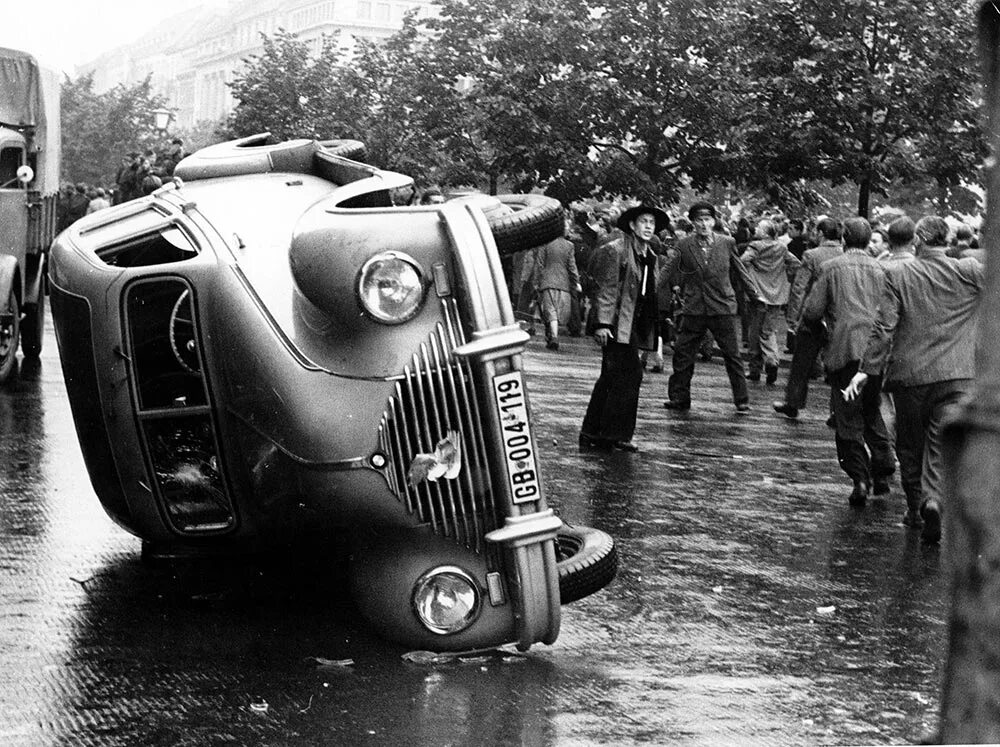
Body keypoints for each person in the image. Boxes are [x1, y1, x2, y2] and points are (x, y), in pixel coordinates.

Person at [843, 216, 984, 543]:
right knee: (939, 444)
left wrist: (866, 370)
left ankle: (914, 509)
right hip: (958, 375)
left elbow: (884, 326)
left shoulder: (897, 272)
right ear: (946, 239)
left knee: (910, 444)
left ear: (919, 239)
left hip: (911, 376)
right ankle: (934, 499)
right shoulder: (970, 271)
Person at [802, 217, 895, 506]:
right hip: (875, 353)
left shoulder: (831, 269)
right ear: (869, 241)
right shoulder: (883, 269)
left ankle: (860, 477)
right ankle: (882, 463)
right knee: (871, 409)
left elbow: (812, 312)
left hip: (843, 350)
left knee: (847, 416)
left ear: (844, 239)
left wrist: (822, 332)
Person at [580, 203, 667, 452]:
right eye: (643, 222)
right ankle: (614, 435)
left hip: (633, 324)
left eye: (652, 223)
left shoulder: (650, 255)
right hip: (616, 323)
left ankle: (592, 432)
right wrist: (602, 324)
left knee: (611, 376)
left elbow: (648, 294)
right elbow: (606, 289)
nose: (648, 227)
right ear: (632, 225)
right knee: (630, 375)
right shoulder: (615, 250)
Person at [663, 200, 760, 413]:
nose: (704, 224)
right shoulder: (684, 245)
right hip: (695, 307)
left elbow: (740, 269)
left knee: (732, 355)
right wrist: (653, 292)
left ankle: (741, 399)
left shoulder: (727, 242)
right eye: (699, 220)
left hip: (722, 306)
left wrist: (755, 295)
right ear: (693, 223)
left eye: (707, 219)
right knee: (683, 353)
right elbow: (669, 270)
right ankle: (679, 397)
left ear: (714, 221)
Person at [772, 217, 845, 418]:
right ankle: (836, 411)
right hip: (838, 316)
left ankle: (793, 402)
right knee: (837, 367)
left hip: (814, 314)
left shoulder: (812, 255)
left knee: (801, 363)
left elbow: (799, 287)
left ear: (821, 234)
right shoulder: (845, 254)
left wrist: (793, 318)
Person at [740, 218, 801, 384]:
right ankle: (772, 360)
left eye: (759, 227)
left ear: (765, 232)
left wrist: (752, 271)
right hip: (776, 296)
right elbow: (796, 263)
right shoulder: (782, 247)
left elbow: (743, 261)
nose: (756, 230)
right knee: (769, 331)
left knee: (754, 332)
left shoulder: (755, 246)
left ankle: (755, 368)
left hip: (757, 294)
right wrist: (785, 275)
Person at [533, 232, 581, 350]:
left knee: (550, 310)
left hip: (547, 281)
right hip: (563, 282)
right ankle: (553, 335)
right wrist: (576, 281)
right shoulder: (569, 245)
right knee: (558, 311)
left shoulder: (545, 244)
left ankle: (553, 336)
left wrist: (536, 282)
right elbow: (572, 266)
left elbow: (539, 265)